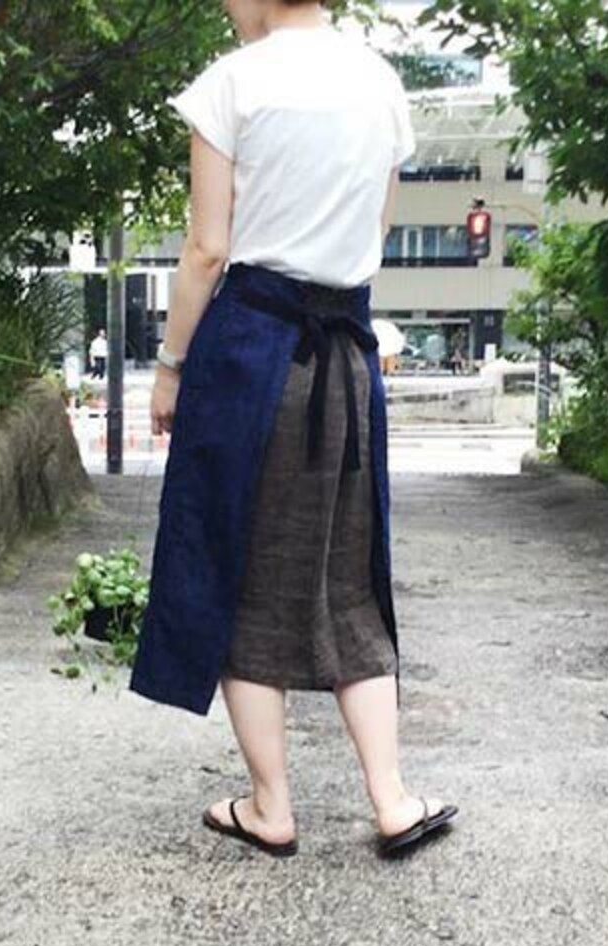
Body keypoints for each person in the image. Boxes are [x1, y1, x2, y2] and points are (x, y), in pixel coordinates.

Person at [129, 0, 458, 858]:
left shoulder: (233, 83)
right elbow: (375, 229)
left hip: (251, 353)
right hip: (345, 356)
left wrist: (170, 366)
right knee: (350, 575)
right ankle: (392, 799)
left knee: (233, 566)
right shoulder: (379, 82)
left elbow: (206, 249)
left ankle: (271, 806)